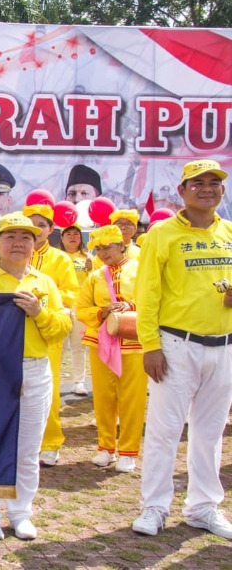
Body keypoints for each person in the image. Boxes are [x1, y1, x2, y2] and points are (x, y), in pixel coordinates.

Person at [132, 159, 232, 539]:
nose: (207, 189)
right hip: (176, 345)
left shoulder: (229, 232)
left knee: (210, 432)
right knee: (164, 430)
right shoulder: (162, 233)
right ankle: (154, 507)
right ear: (183, 191)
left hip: (224, 346)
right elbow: (148, 293)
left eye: (214, 183)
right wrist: (151, 346)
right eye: (198, 183)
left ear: (222, 190)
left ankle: (203, 507)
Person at [0, 213, 72, 540]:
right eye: (10, 236)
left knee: (28, 449)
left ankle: (20, 512)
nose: (18, 242)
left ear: (35, 243)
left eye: (25, 237)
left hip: (35, 369)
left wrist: (38, 312)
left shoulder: (44, 282)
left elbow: (61, 329)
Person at [75, 225, 145, 472]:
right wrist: (101, 311)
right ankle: (106, 447)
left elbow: (155, 300)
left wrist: (130, 305)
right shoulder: (95, 277)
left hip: (134, 342)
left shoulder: (141, 270)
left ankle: (128, 450)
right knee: (104, 397)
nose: (103, 253)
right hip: (100, 341)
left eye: (108, 247)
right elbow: (81, 309)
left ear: (122, 246)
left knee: (132, 398)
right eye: (99, 248)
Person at [22, 204, 79, 467]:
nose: (36, 231)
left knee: (51, 387)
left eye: (41, 226)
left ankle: (51, 441)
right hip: (18, 331)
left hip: (47, 328)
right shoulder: (17, 253)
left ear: (51, 229)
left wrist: (44, 300)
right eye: (30, 226)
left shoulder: (60, 258)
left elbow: (70, 293)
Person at [59, 224, 93, 396]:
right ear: (62, 238)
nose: (72, 237)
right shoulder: (57, 257)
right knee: (60, 345)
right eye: (68, 234)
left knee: (78, 346)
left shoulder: (88, 257)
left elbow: (93, 282)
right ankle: (53, 380)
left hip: (80, 306)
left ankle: (78, 381)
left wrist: (91, 269)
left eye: (76, 234)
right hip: (62, 305)